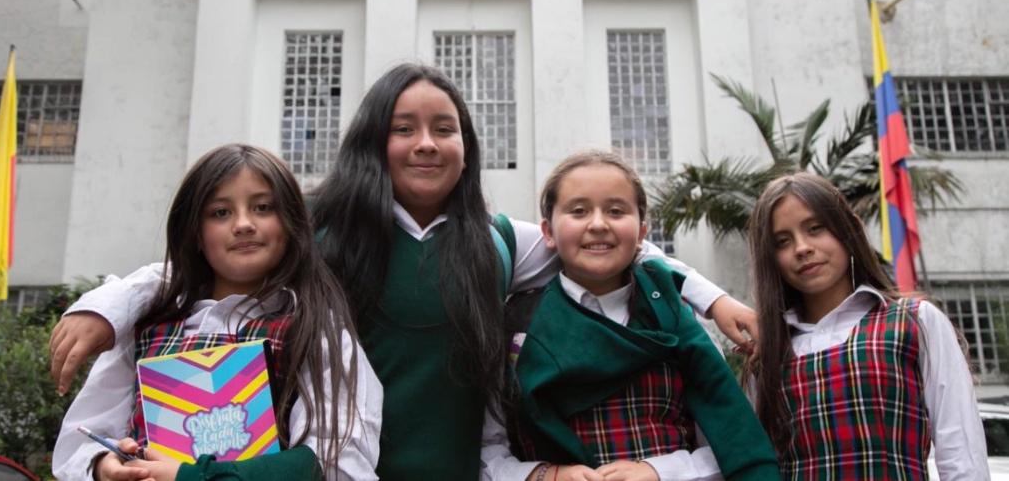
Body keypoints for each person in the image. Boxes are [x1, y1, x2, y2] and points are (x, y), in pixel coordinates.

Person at [50, 64, 758, 480]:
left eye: (444, 128)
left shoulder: (500, 241)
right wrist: (107, 304)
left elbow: (602, 239)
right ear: (372, 140)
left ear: (467, 144)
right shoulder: (318, 233)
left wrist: (714, 300)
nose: (426, 143)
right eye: (404, 127)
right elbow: (203, 258)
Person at [52, 144, 382, 481]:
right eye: (220, 212)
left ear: (290, 224)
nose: (243, 224)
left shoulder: (314, 328)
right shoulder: (145, 327)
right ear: (195, 232)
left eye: (263, 207)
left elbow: (340, 460)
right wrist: (103, 466)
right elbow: (80, 441)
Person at [482, 151, 779, 481]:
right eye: (578, 211)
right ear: (547, 232)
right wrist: (542, 475)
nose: (598, 224)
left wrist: (660, 471)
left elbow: (731, 442)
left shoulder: (675, 318)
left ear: (641, 233)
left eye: (616, 210)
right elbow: (487, 452)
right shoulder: (515, 327)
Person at [747, 172, 988, 480]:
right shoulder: (768, 353)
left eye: (815, 228)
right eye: (783, 241)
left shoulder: (914, 322)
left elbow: (961, 449)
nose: (802, 247)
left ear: (847, 231)